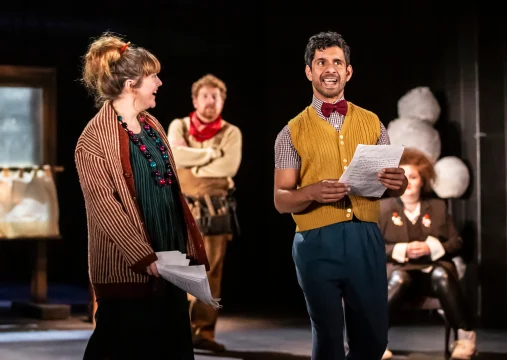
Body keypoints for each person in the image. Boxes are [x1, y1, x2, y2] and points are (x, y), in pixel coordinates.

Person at [273, 31, 407, 360]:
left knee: (374, 339)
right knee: (329, 337)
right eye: (321, 62)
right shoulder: (291, 132)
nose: (329, 68)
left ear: (348, 71)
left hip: (365, 238)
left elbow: (392, 182)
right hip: (315, 242)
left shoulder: (373, 122)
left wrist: (398, 182)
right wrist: (312, 192)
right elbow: (280, 198)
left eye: (336, 62)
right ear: (309, 71)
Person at [75, 32, 209, 360]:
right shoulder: (92, 140)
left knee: (173, 346)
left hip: (170, 258)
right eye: (152, 77)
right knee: (119, 344)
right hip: (130, 268)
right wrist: (143, 258)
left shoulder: (152, 125)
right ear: (130, 84)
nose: (160, 83)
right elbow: (105, 207)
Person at [379, 147, 477, 360]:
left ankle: (465, 338)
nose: (408, 183)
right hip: (398, 273)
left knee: (441, 276)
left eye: (413, 177)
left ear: (422, 180)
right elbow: (371, 248)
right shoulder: (383, 209)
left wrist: (431, 248)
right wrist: (401, 250)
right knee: (400, 278)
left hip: (431, 274)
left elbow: (457, 242)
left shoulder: (438, 207)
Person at [167, 74, 242, 352]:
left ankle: (204, 332)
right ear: (195, 100)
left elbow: (228, 168)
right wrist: (210, 155)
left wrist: (194, 166)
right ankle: (177, 330)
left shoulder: (231, 132)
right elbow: (173, 157)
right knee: (178, 271)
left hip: (214, 210)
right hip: (181, 208)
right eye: (205, 96)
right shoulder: (179, 126)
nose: (210, 102)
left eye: (216, 97)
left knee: (210, 275)